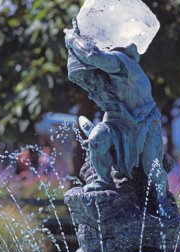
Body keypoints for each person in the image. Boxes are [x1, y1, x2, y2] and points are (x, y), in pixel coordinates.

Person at [65, 19, 168, 215]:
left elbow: (91, 55)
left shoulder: (123, 64)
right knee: (96, 140)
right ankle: (104, 180)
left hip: (144, 123)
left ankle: (162, 201)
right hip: (116, 121)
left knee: (152, 168)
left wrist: (72, 39)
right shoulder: (109, 77)